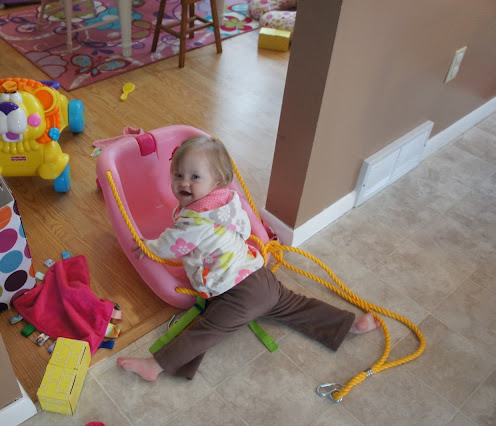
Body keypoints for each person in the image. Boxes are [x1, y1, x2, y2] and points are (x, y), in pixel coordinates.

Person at [117, 135, 379, 382]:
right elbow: (243, 228)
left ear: (217, 180)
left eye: (195, 177)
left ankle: (156, 366)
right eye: (178, 175)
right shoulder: (226, 200)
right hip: (259, 277)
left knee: (207, 329)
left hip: (239, 293)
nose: (184, 183)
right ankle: (350, 325)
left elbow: (172, 245)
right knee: (298, 305)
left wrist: (148, 246)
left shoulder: (196, 221)